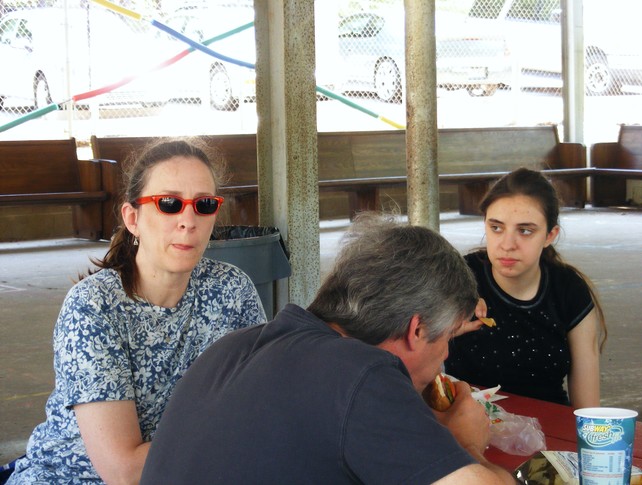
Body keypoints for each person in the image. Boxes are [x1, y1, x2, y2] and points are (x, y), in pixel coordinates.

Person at [140, 212, 515, 485]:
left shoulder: (232, 347)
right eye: (448, 338)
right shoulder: (362, 374)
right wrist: (465, 443)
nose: (446, 355)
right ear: (416, 330)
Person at [7, 138, 266, 484]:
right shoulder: (94, 306)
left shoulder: (233, 289)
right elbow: (124, 471)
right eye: (169, 204)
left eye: (204, 204)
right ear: (132, 218)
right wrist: (235, 436)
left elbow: (263, 402)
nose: (188, 220)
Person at [445, 167, 607, 409]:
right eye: (496, 228)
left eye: (525, 231)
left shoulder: (569, 290)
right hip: (465, 420)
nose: (507, 244)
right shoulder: (458, 278)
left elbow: (588, 410)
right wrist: (444, 329)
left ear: (550, 235)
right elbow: (408, 361)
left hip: (548, 424)